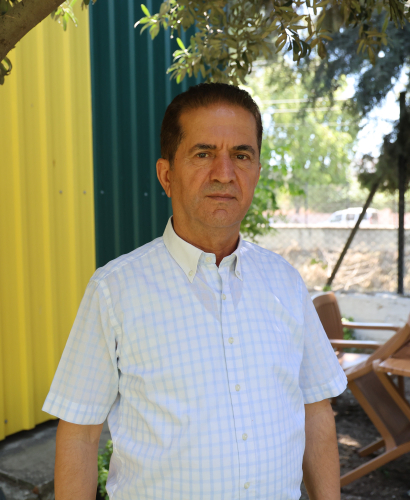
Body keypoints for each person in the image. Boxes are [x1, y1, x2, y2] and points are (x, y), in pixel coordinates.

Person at [43, 82, 346, 500]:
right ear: (167, 176)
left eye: (241, 155)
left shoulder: (286, 283)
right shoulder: (115, 290)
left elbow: (315, 410)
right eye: (203, 154)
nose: (224, 173)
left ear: (257, 172)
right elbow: (79, 434)